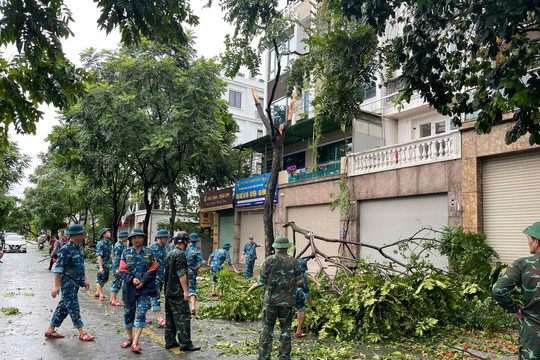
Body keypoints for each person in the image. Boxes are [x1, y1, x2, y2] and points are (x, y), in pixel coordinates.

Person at [493, 221, 540, 359]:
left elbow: (498, 290)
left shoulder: (522, 264)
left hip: (532, 334)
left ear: (536, 241)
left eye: (529, 239)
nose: (528, 242)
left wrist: (515, 310)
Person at [253, 235, 302, 360]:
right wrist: (289, 285)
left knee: (266, 329)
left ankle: (264, 357)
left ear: (276, 248)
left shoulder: (269, 260)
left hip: (270, 301)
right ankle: (284, 357)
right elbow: (300, 281)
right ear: (287, 248)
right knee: (286, 330)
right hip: (287, 302)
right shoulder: (294, 261)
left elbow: (262, 280)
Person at [44, 224, 95, 341]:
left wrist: (85, 280)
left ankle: (50, 330)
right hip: (67, 283)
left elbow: (82, 266)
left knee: (63, 307)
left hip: (76, 282)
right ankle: (82, 333)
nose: (83, 236)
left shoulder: (80, 248)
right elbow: (58, 269)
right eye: (81, 233)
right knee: (73, 307)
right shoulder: (65, 250)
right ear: (75, 235)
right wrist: (56, 286)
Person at [118, 228, 158, 353]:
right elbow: (122, 270)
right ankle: (129, 338)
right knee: (128, 314)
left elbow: (154, 268)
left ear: (143, 238)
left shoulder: (149, 252)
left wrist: (143, 280)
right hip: (129, 288)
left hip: (145, 289)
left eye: (139, 237)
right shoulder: (126, 253)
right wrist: (132, 279)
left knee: (141, 313)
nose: (137, 239)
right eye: (134, 238)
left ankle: (135, 342)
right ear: (130, 240)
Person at [163, 231, 201, 351]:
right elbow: (181, 273)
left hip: (168, 291)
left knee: (170, 317)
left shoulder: (169, 254)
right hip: (177, 292)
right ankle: (185, 344)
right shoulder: (180, 255)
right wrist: (186, 291)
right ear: (185, 242)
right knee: (183, 317)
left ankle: (170, 341)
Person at [294, 259, 321, 338]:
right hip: (295, 293)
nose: (302, 272)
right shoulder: (295, 276)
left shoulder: (303, 275)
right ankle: (298, 331)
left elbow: (307, 276)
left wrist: (316, 282)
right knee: (302, 309)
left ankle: (312, 307)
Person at [149, 229, 170, 327]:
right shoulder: (151, 248)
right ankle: (159, 318)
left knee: (148, 296)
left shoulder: (165, 249)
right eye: (165, 237)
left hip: (161, 276)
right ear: (159, 238)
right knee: (155, 296)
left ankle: (141, 316)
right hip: (153, 277)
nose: (167, 239)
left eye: (167, 237)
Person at [186, 232, 205, 314]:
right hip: (192, 272)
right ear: (196, 241)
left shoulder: (184, 249)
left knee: (182, 288)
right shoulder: (197, 251)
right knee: (192, 288)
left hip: (182, 271)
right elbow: (201, 263)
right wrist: (196, 269)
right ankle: (193, 306)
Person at [109, 230, 129, 306]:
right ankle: (114, 300)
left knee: (116, 282)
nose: (127, 238)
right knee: (116, 283)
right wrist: (117, 268)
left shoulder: (120, 245)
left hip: (119, 267)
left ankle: (112, 299)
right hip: (118, 268)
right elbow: (117, 258)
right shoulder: (119, 246)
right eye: (126, 236)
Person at [94, 228, 113, 301]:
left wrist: (113, 262)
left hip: (107, 263)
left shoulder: (109, 243)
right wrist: (100, 267)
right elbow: (99, 256)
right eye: (108, 232)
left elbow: (110, 253)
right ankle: (101, 295)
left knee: (105, 279)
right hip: (101, 263)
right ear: (104, 234)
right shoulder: (100, 244)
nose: (110, 233)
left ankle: (97, 292)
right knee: (99, 279)